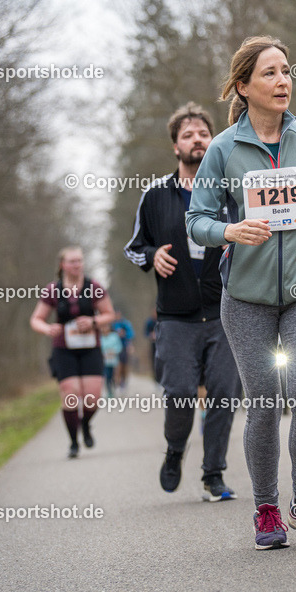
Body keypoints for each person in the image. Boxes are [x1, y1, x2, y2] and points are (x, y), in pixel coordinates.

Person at [187, 36, 296, 549]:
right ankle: (265, 510)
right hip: (245, 298)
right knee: (262, 401)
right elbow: (197, 221)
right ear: (243, 86)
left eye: (287, 71)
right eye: (270, 74)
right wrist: (228, 232)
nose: (283, 82)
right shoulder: (223, 149)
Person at [125, 102, 243, 502]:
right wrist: (153, 254)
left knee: (225, 396)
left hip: (227, 311)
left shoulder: (231, 192)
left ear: (213, 142)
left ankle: (214, 476)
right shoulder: (155, 196)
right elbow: (134, 248)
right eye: (188, 135)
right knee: (178, 395)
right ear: (176, 146)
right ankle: (175, 450)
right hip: (175, 317)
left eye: (203, 133)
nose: (197, 140)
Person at [29, 246, 115, 458]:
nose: (77, 265)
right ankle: (74, 441)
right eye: (72, 261)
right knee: (70, 394)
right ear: (62, 265)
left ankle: (85, 424)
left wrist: (94, 321)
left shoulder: (94, 287)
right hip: (63, 349)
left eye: (80, 261)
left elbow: (109, 314)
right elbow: (36, 319)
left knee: (92, 398)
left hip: (90, 348)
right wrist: (48, 328)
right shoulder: (53, 289)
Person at [111, 312, 135, 390]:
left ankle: (123, 382)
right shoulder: (112, 324)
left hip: (124, 347)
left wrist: (124, 334)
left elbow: (131, 334)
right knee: (116, 366)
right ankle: (115, 383)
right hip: (113, 348)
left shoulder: (125, 323)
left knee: (124, 365)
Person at [100, 322, 123, 398]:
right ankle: (109, 391)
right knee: (107, 376)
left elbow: (119, 347)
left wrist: (113, 352)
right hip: (105, 361)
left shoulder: (114, 336)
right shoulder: (100, 338)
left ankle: (115, 387)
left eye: (106, 327)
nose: (104, 329)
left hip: (114, 361)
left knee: (114, 376)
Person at [144, 311, 160, 382]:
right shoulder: (149, 322)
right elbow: (145, 333)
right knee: (153, 361)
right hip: (153, 344)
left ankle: (160, 379)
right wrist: (150, 335)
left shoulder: (161, 321)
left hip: (161, 344)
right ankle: (155, 379)